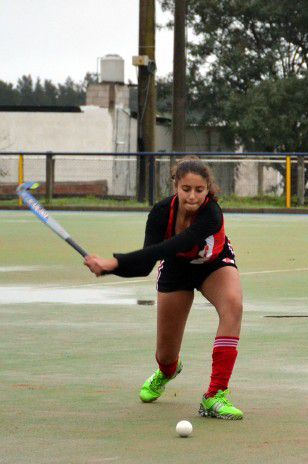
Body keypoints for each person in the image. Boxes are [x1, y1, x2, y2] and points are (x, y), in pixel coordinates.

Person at [83, 156, 244, 420]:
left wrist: (113, 260)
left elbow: (175, 244)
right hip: (176, 269)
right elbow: (146, 262)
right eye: (186, 189)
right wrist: (108, 267)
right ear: (176, 187)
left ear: (208, 190)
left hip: (213, 264)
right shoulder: (160, 213)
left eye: (199, 190)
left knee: (233, 306)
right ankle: (167, 371)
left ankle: (215, 395)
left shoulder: (211, 214)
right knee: (166, 355)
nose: (192, 196)